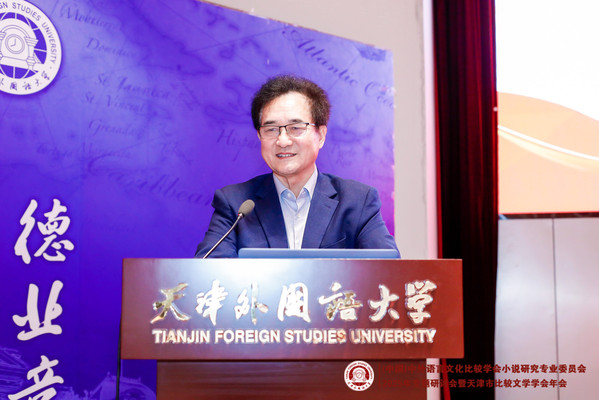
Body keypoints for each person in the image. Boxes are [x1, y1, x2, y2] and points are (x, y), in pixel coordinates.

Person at [195, 75, 398, 258]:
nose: (283, 141)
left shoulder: (357, 201)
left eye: (295, 128)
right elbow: (208, 272)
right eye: (271, 129)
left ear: (321, 135)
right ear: (259, 136)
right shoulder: (235, 204)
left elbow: (389, 271)